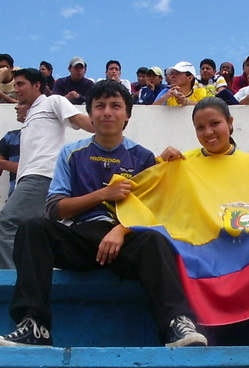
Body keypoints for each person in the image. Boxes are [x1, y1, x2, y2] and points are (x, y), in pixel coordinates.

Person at [0, 80, 207, 348]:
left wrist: (121, 229)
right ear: (90, 114)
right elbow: (55, 208)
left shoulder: (142, 157)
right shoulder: (71, 153)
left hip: (125, 241)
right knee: (32, 228)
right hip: (80, 237)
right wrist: (102, 195)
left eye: (115, 106)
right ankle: (34, 325)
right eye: (99, 106)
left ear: (127, 115)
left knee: (156, 240)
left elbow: (150, 211)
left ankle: (175, 323)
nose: (107, 112)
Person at [0, 68, 94, 269]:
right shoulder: (31, 114)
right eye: (14, 85)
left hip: (41, 177)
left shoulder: (54, 101)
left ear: (36, 85)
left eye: (20, 84)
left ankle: (11, 280)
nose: (16, 89)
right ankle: (33, 280)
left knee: (7, 223)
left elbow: (82, 121)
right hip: (30, 179)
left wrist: (105, 126)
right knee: (33, 234)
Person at [0, 104, 28, 197]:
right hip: (14, 199)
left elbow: (35, 169)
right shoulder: (11, 137)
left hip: (39, 201)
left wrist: (2, 164)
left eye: (22, 103)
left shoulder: (47, 138)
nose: (16, 107)